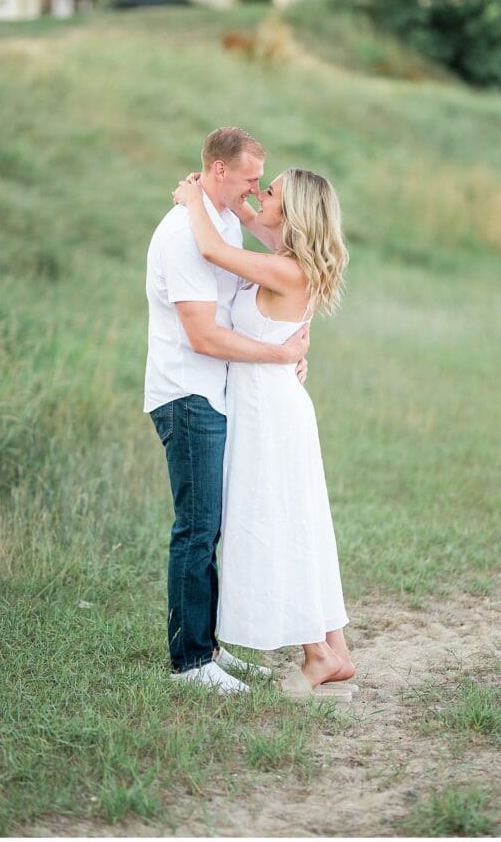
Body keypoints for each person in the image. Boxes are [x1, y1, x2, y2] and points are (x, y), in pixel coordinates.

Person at [172, 166, 356, 701]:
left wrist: (191, 200)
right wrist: (233, 195)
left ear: (291, 211)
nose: (259, 195)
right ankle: (335, 651)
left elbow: (212, 250)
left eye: (269, 191)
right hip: (272, 404)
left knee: (278, 524)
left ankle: (318, 654)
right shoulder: (288, 258)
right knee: (302, 522)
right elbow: (257, 222)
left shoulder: (288, 271)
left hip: (269, 413)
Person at [144, 127, 310, 695]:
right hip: (188, 394)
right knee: (197, 528)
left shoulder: (221, 220)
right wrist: (278, 353)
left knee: (211, 526)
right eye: (249, 180)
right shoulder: (183, 236)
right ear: (219, 172)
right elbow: (203, 337)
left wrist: (296, 334)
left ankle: (207, 646)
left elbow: (290, 248)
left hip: (217, 393)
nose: (255, 190)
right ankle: (190, 664)